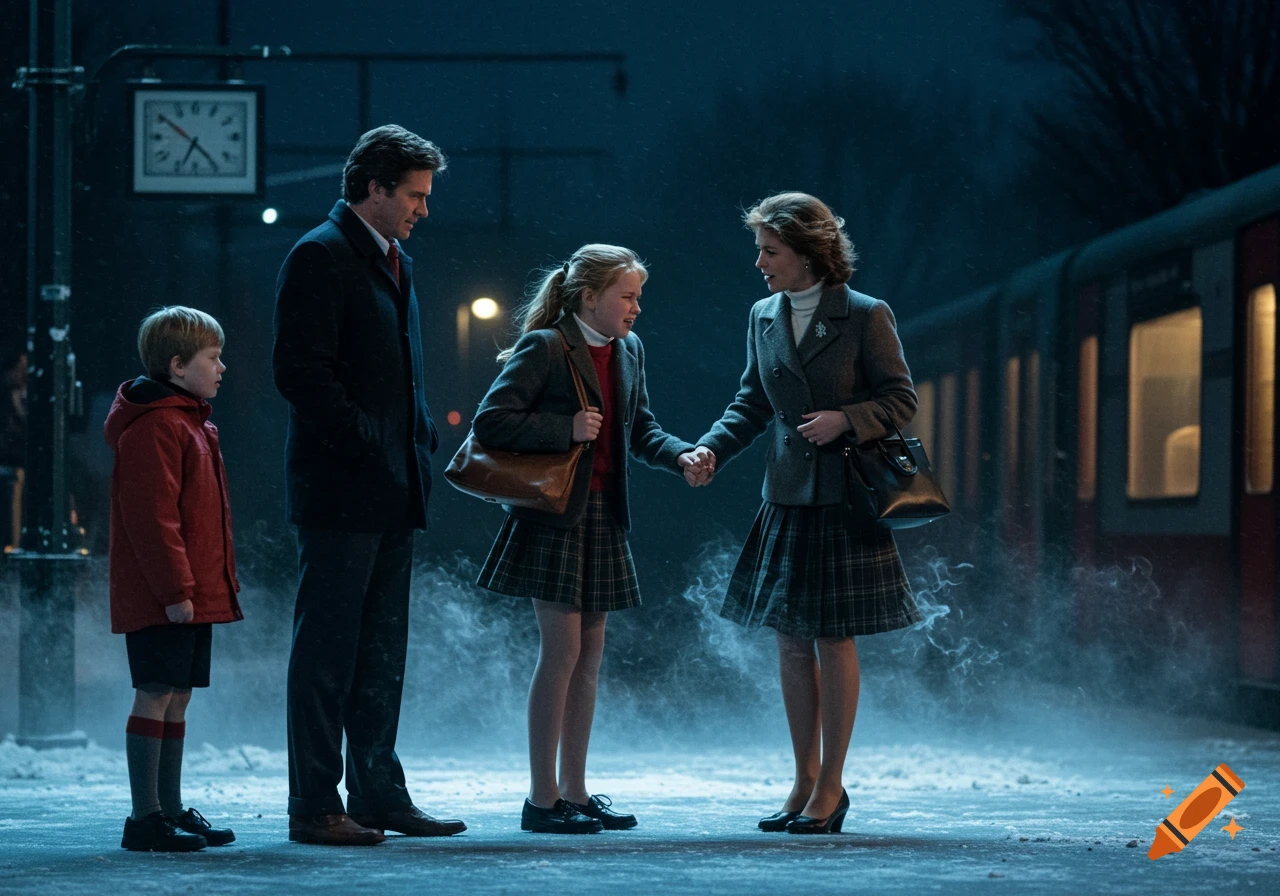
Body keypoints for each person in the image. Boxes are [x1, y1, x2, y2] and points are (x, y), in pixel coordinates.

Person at [688, 192, 921, 834]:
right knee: (791, 641)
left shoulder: (866, 315)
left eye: (771, 252)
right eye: (760, 250)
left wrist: (848, 418)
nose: (760, 264)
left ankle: (831, 785)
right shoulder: (763, 313)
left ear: (809, 253)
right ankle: (802, 779)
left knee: (832, 635)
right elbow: (751, 402)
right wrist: (712, 447)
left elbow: (902, 398)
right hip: (786, 493)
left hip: (846, 495)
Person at [273, 124, 464, 845]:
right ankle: (315, 805)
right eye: (414, 195)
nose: (423, 208)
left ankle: (378, 793)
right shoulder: (320, 256)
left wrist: (413, 438)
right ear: (375, 188)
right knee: (327, 653)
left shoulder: (389, 260)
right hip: (344, 488)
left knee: (380, 650)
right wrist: (368, 441)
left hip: (387, 484)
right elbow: (300, 372)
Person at [472, 244, 700, 833]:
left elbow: (639, 426)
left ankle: (573, 790)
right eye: (627, 296)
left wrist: (681, 456)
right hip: (554, 515)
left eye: (638, 296)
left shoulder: (629, 350)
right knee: (562, 653)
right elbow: (491, 421)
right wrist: (564, 427)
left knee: (590, 657)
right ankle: (541, 798)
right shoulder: (546, 346)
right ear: (589, 297)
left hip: (601, 514)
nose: (636, 307)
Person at [104, 306, 242, 852]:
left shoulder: (192, 421)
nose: (223, 367)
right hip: (167, 595)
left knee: (177, 695)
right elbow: (154, 519)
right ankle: (145, 817)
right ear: (179, 365)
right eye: (214, 357)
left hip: (189, 593)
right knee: (156, 693)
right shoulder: (159, 426)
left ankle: (168, 807)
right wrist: (176, 592)